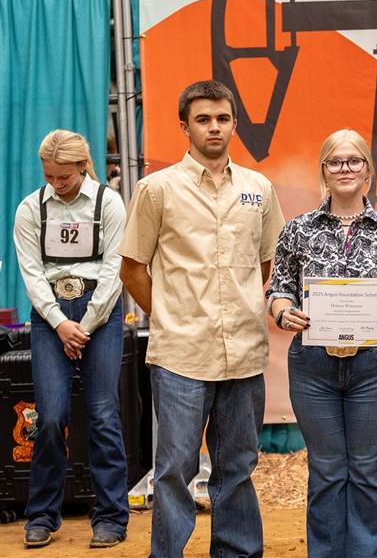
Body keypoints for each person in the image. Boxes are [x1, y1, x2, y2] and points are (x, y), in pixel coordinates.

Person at [118, 80, 284, 557]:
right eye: (203, 119)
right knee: (173, 469)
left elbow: (265, 262)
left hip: (245, 354)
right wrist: (171, 315)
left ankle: (237, 552)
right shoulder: (156, 190)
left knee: (238, 465)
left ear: (234, 123)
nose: (214, 127)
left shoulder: (258, 188)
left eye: (223, 118)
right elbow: (132, 267)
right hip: (181, 356)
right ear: (184, 127)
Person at [267, 128, 377, 557]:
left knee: (369, 471)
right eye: (335, 161)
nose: (345, 169)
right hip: (313, 368)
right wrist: (283, 312)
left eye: (354, 161)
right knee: (327, 470)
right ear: (323, 171)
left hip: (373, 367)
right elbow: (278, 289)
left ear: (368, 172)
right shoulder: (297, 230)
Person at [13, 129, 128, 549]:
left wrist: (88, 323)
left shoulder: (109, 203)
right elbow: (31, 273)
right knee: (50, 416)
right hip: (51, 316)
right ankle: (42, 514)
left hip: (100, 312)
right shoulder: (30, 208)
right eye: (50, 177)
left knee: (103, 414)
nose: (56, 184)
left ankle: (111, 517)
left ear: (83, 166)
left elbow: (115, 268)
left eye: (64, 177)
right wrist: (61, 323)